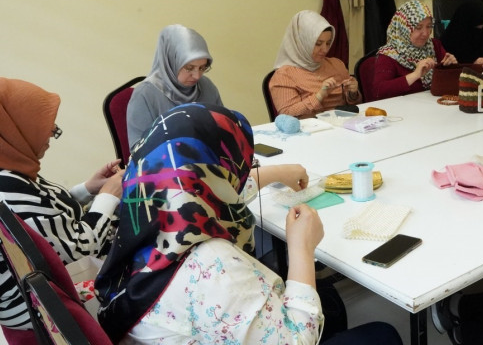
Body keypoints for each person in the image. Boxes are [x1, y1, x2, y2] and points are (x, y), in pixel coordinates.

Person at [95, 103, 402, 345]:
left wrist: (277, 172)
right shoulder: (212, 266)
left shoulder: (144, 214)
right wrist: (302, 249)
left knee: (329, 301)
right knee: (382, 333)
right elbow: (296, 340)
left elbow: (216, 193)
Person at [0, 77, 123, 332]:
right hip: (42, 312)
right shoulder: (6, 190)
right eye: (45, 128)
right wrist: (109, 196)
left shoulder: (8, 167)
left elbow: (44, 217)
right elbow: (80, 245)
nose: (51, 134)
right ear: (15, 128)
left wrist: (88, 189)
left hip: (44, 291)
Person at [126, 24, 223, 147]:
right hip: (165, 164)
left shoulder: (206, 86)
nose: (197, 76)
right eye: (189, 68)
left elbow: (224, 129)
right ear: (171, 61)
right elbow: (138, 150)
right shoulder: (145, 94)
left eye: (203, 68)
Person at [270, 10, 362, 119]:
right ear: (301, 43)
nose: (325, 49)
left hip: (341, 126)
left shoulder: (336, 64)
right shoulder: (284, 75)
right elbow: (287, 114)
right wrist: (320, 95)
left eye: (328, 43)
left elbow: (352, 105)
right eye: (318, 44)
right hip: (309, 131)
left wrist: (353, 93)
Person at [374, 0, 458, 100]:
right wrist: (415, 75)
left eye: (429, 26)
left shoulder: (434, 45)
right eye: (418, 27)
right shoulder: (389, 55)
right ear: (404, 28)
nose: (426, 33)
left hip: (433, 106)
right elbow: (379, 91)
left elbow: (453, 83)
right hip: (402, 110)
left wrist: (453, 67)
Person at [440, 0, 483, 66]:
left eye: (482, 27)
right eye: (475, 28)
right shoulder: (448, 40)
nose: (478, 33)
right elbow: (445, 70)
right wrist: (471, 65)